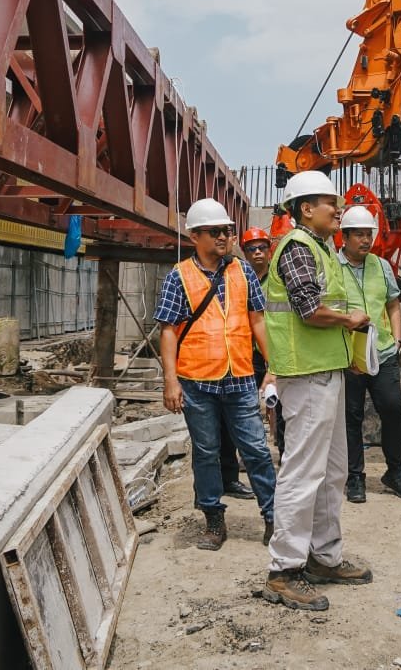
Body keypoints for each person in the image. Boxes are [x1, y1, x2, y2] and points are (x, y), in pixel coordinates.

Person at [262, 171, 374, 612]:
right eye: (331, 202)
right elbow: (309, 310)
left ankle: (324, 557)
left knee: (332, 473)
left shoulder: (322, 250)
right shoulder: (297, 248)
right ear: (305, 208)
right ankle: (284, 571)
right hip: (306, 376)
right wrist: (351, 321)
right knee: (303, 473)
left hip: (327, 371)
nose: (339, 209)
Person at [157, 199, 277, 551]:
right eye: (216, 231)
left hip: (239, 378)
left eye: (227, 231)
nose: (225, 237)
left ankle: (272, 517)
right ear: (195, 236)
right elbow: (167, 330)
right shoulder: (179, 276)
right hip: (197, 381)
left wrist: (272, 368)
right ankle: (213, 519)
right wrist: (170, 380)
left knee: (256, 449)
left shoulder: (242, 271)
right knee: (206, 452)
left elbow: (258, 320)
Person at [337, 206, 401, 503]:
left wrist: (396, 339)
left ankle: (395, 472)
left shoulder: (381, 266)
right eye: (358, 234)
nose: (365, 240)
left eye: (368, 233)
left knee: (393, 410)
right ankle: (355, 476)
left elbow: (394, 304)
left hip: (382, 354)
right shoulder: (333, 267)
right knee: (351, 417)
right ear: (343, 237)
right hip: (348, 357)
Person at [241, 227, 285, 457]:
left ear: (270, 251)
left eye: (262, 248)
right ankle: (253, 455)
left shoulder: (280, 280)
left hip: (275, 349)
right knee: (246, 406)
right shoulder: (238, 279)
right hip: (247, 353)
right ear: (244, 252)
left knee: (282, 405)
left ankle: (285, 452)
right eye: (252, 249)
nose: (258, 252)